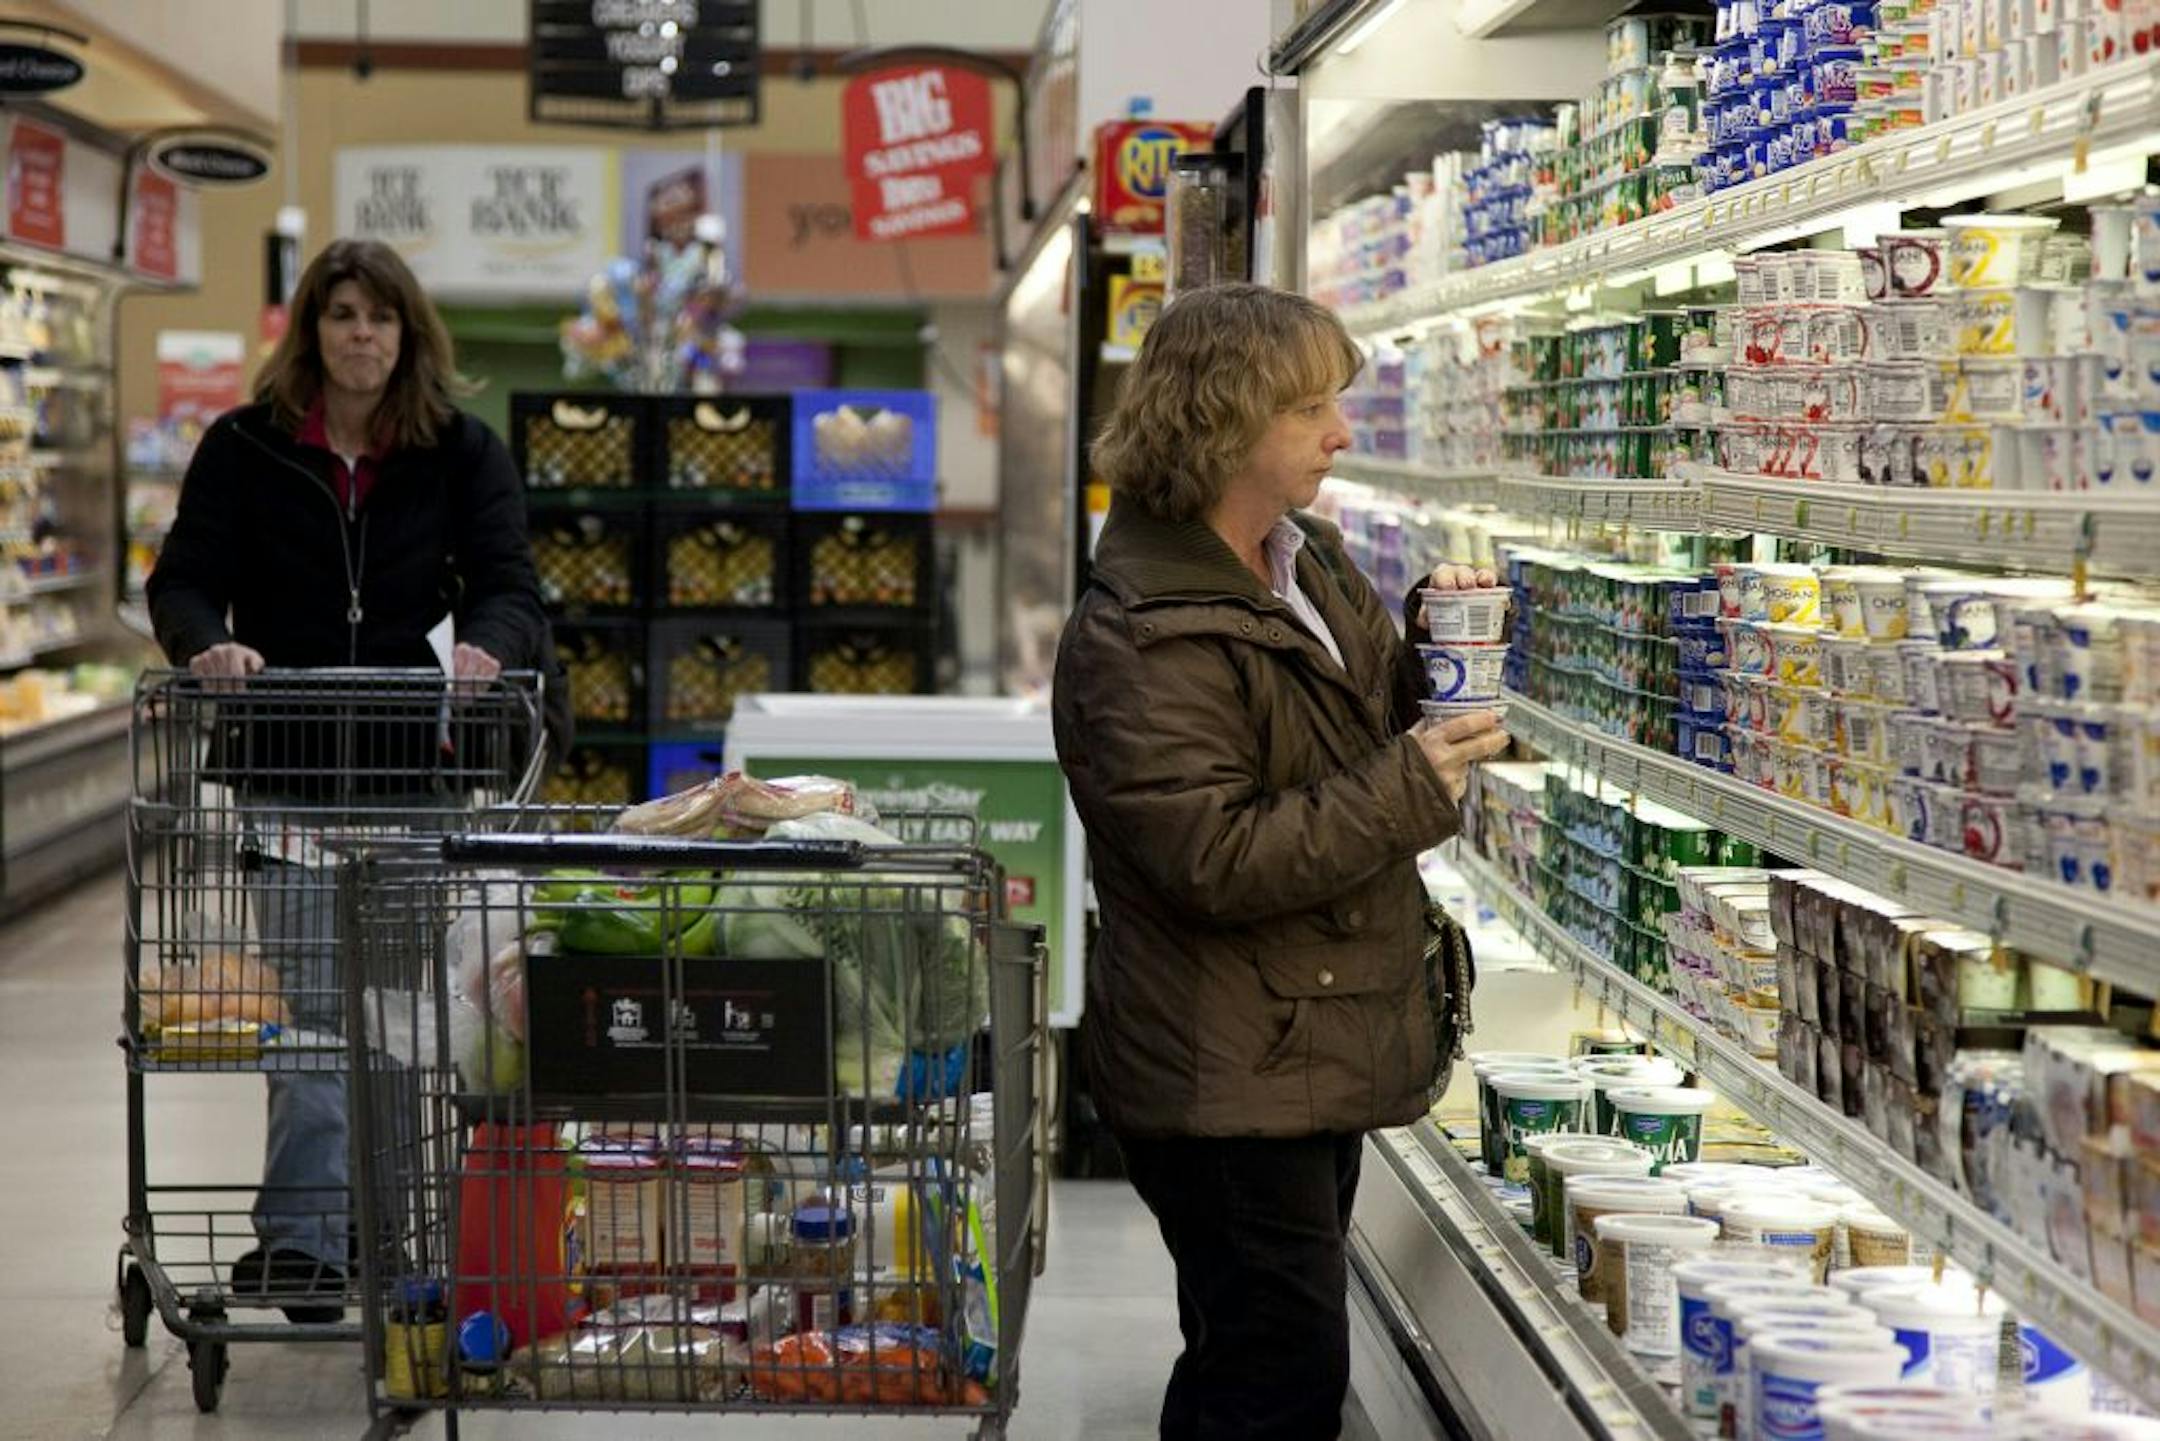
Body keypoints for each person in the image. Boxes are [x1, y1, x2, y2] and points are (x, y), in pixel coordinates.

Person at [1050, 283, 1511, 1440]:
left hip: (1300, 1038)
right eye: (1310, 408)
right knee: (1274, 1373)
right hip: (1221, 1069)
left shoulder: (1303, 559)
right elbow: (1214, 855)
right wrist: (1414, 778)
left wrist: (1442, 651)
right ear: (1222, 423)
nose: (1340, 433)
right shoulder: (1137, 633)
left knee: (1263, 1353)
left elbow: (1355, 725)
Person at [146, 237, 552, 1322]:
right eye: (341, 315)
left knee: (399, 1022)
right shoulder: (244, 449)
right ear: (310, 332)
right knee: (321, 1016)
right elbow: (184, 579)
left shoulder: (461, 454)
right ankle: (309, 1246)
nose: (361, 334)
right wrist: (206, 648)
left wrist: (490, 649)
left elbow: (512, 586)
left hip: (413, 777)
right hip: (284, 775)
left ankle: (385, 1234)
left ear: (408, 332)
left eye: (380, 316)